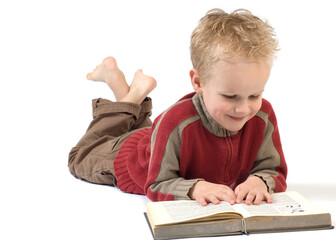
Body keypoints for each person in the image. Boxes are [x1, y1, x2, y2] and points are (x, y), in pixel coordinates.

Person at [68, 8, 287, 206]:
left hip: (154, 142)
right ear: (198, 82)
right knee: (79, 158)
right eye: (231, 96)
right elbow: (156, 184)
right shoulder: (175, 122)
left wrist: (260, 181)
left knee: (141, 133)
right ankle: (128, 94)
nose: (244, 108)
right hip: (129, 157)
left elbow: (274, 170)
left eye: (254, 95)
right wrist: (194, 188)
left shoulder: (262, 116)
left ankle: (129, 90)